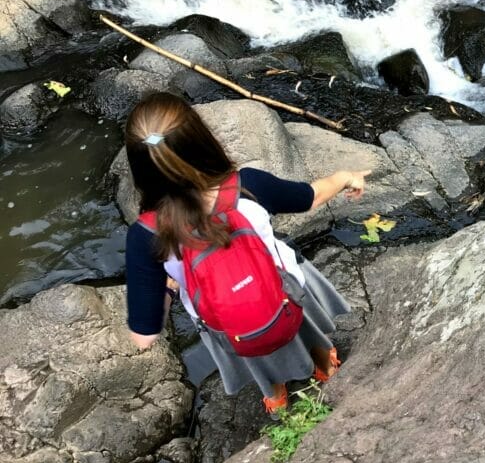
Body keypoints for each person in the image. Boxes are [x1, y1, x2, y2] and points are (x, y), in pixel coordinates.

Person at [123, 91, 368, 413]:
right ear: (203, 142)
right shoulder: (249, 185)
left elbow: (145, 335)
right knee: (306, 329)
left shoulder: (144, 236)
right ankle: (326, 367)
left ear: (140, 169)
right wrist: (343, 177)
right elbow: (311, 197)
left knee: (253, 345)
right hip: (288, 291)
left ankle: (276, 395)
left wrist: (167, 285)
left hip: (227, 321)